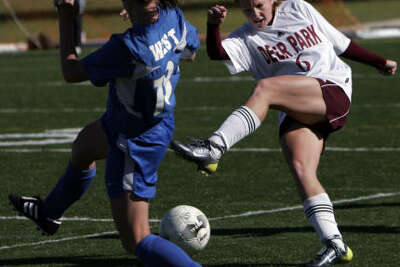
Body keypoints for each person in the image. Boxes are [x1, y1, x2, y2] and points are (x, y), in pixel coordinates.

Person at [170, 0, 397, 266]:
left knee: (265, 89)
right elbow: (219, 53)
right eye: (247, 9)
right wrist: (213, 26)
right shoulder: (246, 36)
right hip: (297, 110)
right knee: (302, 170)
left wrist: (379, 62)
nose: (255, 13)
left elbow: (341, 43)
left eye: (259, 5)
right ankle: (334, 243)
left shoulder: (298, 8)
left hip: (331, 88)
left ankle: (214, 148)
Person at [9, 0, 201, 266]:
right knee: (83, 147)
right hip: (146, 121)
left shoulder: (129, 46)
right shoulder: (172, 16)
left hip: (133, 141)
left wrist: (66, 16)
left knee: (136, 240)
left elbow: (71, 71)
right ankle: (49, 214)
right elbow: (190, 51)